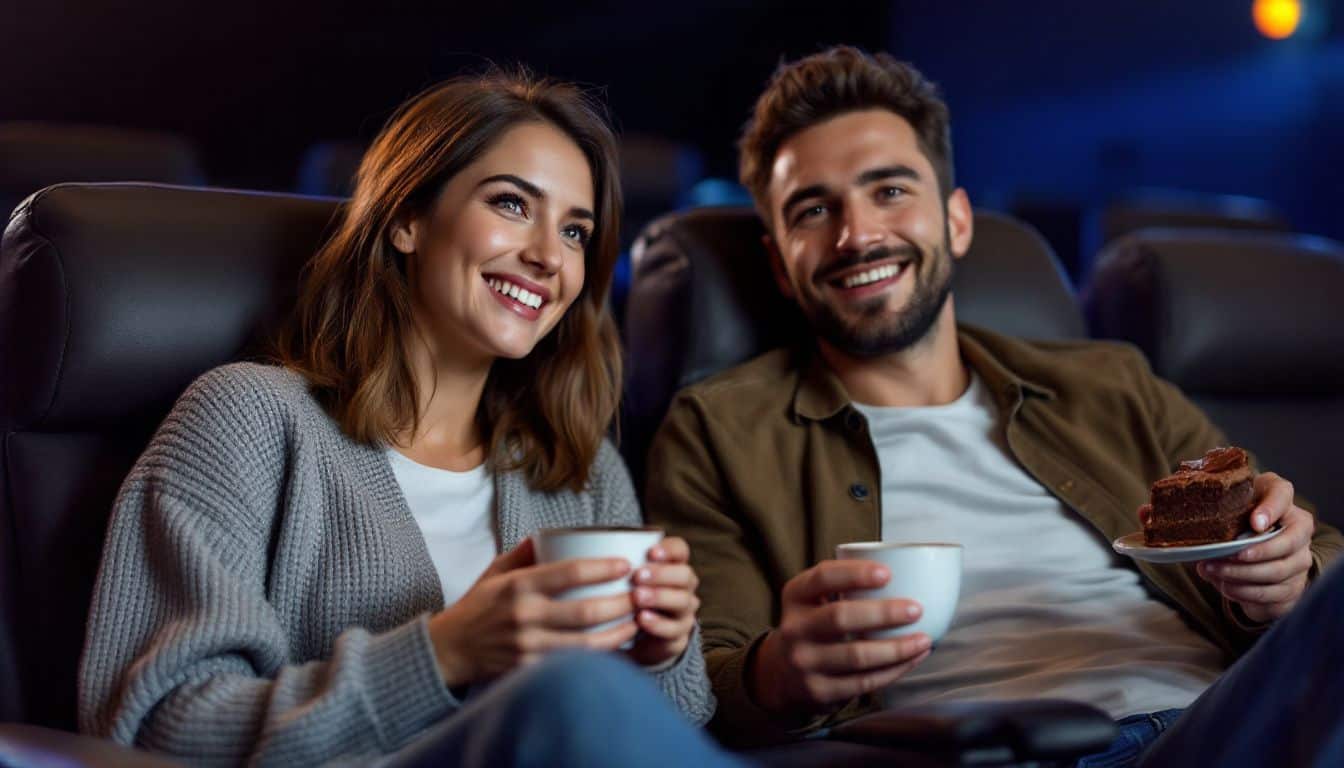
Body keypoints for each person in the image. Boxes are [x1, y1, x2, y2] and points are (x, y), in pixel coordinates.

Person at [643, 46, 1344, 766]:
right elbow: (697, 682)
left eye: (889, 191)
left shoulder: (1110, 381)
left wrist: (1284, 575)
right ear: (779, 267)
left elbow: (1311, 551)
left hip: (1230, 723)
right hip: (1025, 751)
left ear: (957, 221)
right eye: (814, 210)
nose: (856, 235)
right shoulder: (718, 430)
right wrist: (781, 674)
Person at [78, 71, 733, 767]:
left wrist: (658, 655)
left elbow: (673, 732)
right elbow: (155, 726)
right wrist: (446, 652)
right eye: (513, 204)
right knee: (571, 692)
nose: (549, 256)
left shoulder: (579, 467)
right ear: (406, 219)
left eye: (576, 231)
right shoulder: (247, 418)